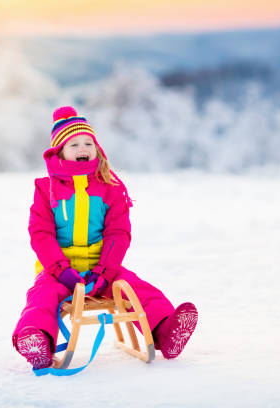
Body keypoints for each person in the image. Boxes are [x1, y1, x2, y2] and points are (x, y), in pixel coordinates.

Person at [12, 106, 198, 369]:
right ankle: (37, 340)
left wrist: (105, 271)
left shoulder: (109, 186)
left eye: (88, 142)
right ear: (60, 151)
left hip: (103, 268)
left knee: (135, 288)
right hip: (57, 270)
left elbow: (118, 232)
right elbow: (40, 234)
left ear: (97, 148)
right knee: (42, 297)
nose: (82, 147)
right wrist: (60, 270)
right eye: (74, 143)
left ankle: (167, 331)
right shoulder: (46, 189)